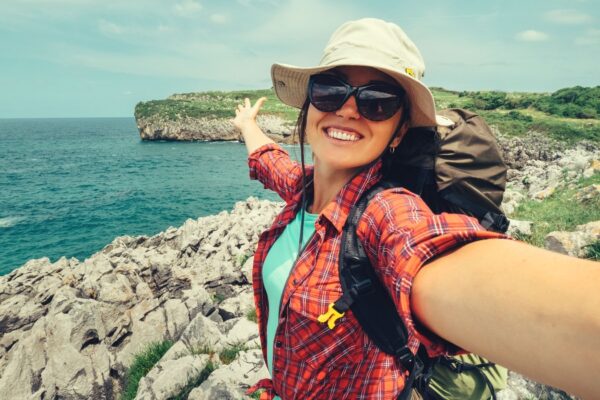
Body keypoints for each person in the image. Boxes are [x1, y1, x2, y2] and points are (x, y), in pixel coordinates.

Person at [233, 18, 600, 400]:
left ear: (401, 129)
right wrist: (247, 125)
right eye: (329, 90)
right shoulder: (303, 188)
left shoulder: (387, 214)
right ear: (310, 103)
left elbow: (434, 259)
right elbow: (268, 160)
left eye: (377, 101)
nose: (347, 109)